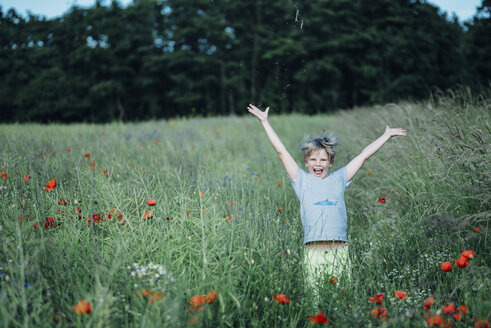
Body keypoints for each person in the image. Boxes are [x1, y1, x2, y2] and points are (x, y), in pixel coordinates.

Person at [247, 104, 406, 302]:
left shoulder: (340, 178)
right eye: (313, 159)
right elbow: (281, 151)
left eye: (323, 160)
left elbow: (363, 156)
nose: (318, 164)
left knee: (343, 300)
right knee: (314, 302)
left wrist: (386, 135)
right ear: (306, 163)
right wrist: (265, 122)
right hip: (312, 255)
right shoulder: (301, 180)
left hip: (339, 253)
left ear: (330, 163)